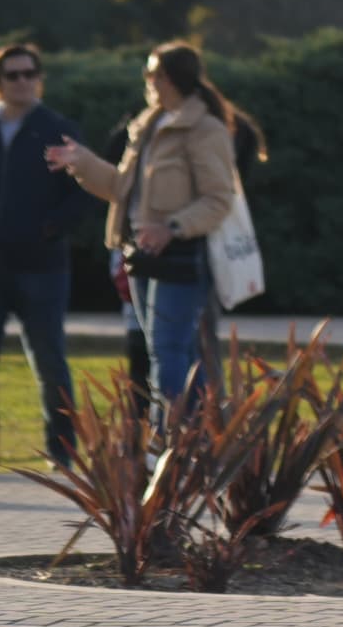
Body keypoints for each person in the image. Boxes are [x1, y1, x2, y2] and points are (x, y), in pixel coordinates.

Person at [45, 43, 250, 411]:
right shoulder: (147, 125)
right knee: (172, 349)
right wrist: (83, 163)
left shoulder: (204, 129)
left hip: (181, 257)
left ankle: (169, 439)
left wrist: (171, 228)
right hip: (140, 255)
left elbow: (219, 199)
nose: (147, 80)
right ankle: (200, 440)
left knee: (167, 350)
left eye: (151, 72)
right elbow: (121, 190)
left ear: (166, 79)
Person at [0, 43, 87, 470]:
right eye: (13, 75)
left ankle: (63, 452)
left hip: (42, 268)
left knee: (49, 360)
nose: (23, 81)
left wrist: (48, 230)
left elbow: (83, 192)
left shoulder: (58, 129)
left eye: (30, 73)